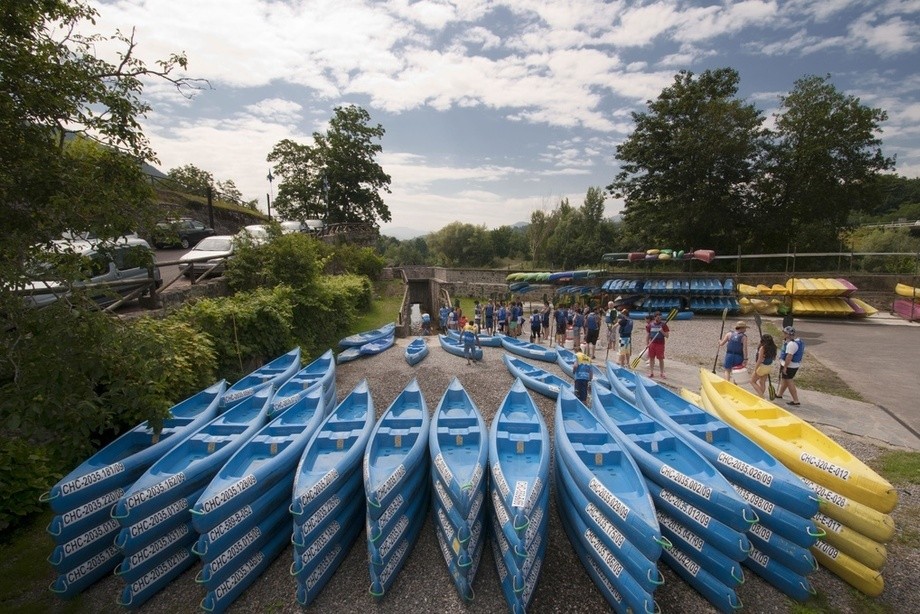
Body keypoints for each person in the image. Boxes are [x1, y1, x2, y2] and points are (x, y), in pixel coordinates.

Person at [777, 326, 804, 405]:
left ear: (788, 334)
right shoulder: (796, 341)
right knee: (785, 380)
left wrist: (785, 367)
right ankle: (779, 394)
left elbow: (789, 357)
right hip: (793, 365)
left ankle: (796, 400)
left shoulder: (791, 344)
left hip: (790, 366)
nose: (783, 334)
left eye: (784, 333)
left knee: (789, 381)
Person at [645, 311, 669, 378]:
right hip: (652, 344)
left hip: (660, 344)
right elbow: (648, 335)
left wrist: (662, 331)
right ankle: (651, 373)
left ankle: (662, 373)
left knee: (661, 359)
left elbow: (667, 336)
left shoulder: (664, 325)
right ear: (655, 317)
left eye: (660, 317)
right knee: (651, 358)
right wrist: (647, 343)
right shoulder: (650, 325)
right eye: (658, 317)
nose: (659, 319)